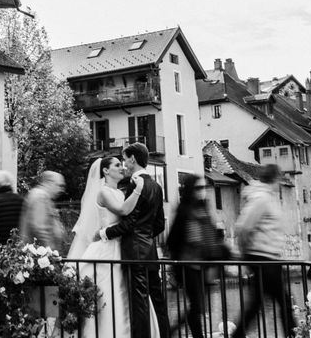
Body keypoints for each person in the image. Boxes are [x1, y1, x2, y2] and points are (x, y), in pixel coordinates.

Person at [68, 156, 157, 337]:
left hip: (120, 247)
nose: (122, 167)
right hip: (107, 248)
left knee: (123, 293)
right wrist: (139, 190)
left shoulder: (120, 192)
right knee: (110, 294)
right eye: (117, 165)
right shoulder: (103, 192)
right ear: (106, 171)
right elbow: (123, 210)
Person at [96, 143, 169, 338]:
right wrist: (146, 238)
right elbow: (160, 224)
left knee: (139, 304)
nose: (124, 164)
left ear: (133, 159)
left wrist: (105, 234)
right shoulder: (156, 186)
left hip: (134, 252)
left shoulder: (135, 185)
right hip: (151, 252)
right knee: (158, 301)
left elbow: (128, 223)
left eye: (125, 159)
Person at [232, 164, 296, 338]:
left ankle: (237, 336)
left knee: (256, 306)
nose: (280, 184)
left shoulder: (267, 197)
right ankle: (295, 335)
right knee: (284, 301)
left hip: (268, 258)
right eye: (279, 180)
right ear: (274, 179)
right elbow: (243, 227)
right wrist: (245, 256)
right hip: (263, 258)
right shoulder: (262, 198)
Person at [167, 174, 228, 338]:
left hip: (202, 265)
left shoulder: (204, 209)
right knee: (197, 306)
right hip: (188, 265)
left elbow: (212, 237)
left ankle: (171, 331)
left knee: (198, 306)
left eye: (205, 188)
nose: (203, 192)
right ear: (191, 190)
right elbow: (172, 240)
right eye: (199, 188)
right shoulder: (184, 211)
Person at [19, 171, 65, 251]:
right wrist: (50, 250)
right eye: (59, 186)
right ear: (49, 183)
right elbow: (39, 227)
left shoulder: (42, 196)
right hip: (41, 254)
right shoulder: (40, 197)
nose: (61, 190)